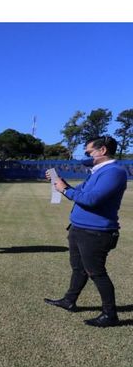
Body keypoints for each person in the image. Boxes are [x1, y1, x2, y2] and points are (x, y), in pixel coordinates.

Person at [44, 136, 126, 327]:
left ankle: (110, 315)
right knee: (78, 268)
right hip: (80, 229)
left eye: (89, 152)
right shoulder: (98, 172)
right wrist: (61, 184)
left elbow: (91, 199)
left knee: (96, 272)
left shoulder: (114, 172)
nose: (86, 155)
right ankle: (69, 300)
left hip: (96, 233)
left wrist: (65, 189)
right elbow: (78, 194)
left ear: (102, 150)